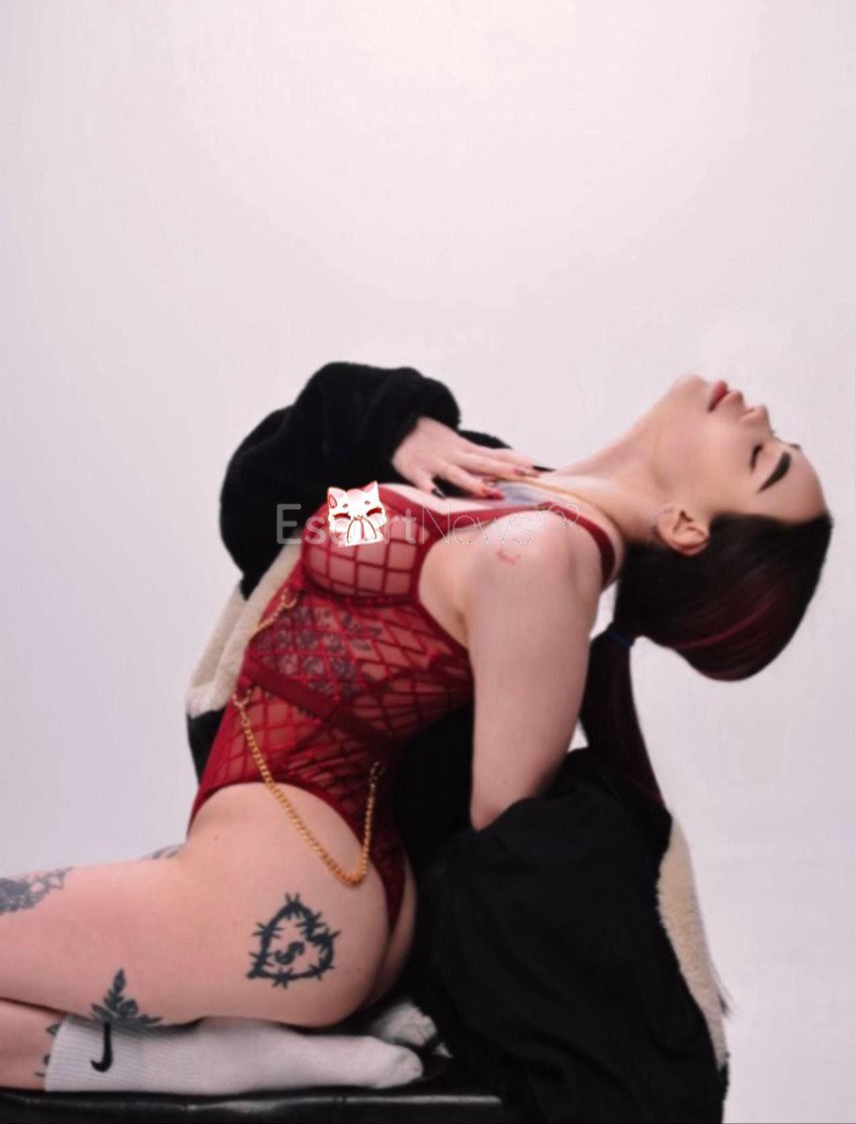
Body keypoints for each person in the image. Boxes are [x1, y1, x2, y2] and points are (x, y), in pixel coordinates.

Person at [0, 363, 832, 1116]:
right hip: (277, 870)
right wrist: (392, 425)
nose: (759, 416)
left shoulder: (544, 559)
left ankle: (230, 1058)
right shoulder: (505, 488)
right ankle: (205, 1061)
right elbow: (283, 523)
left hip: (287, 889)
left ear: (685, 527)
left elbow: (503, 837)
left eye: (763, 461)